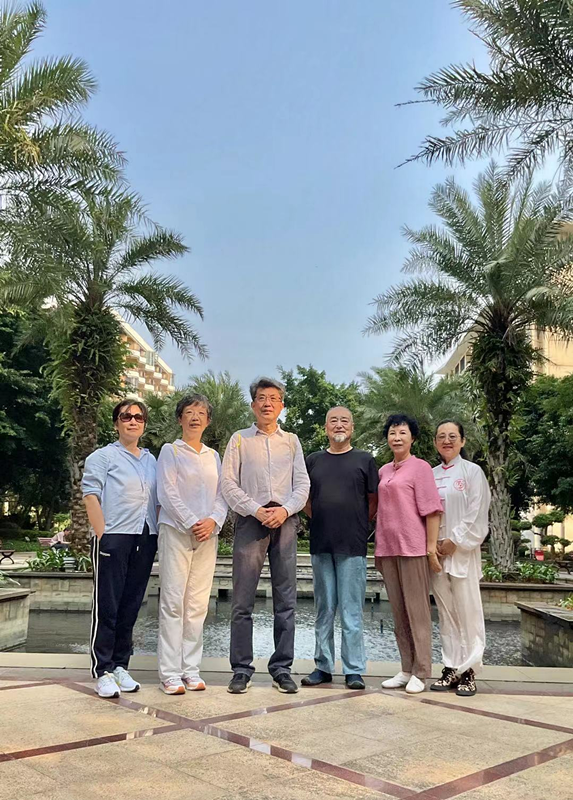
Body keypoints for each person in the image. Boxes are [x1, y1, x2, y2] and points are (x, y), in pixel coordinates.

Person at [221, 376, 310, 694]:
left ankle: (282, 669)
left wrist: (285, 510)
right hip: (251, 521)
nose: (267, 403)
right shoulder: (239, 440)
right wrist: (255, 510)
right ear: (253, 404)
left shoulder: (292, 441)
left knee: (286, 600)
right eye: (261, 397)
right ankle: (241, 669)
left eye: (273, 398)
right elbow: (228, 483)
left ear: (281, 405)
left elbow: (303, 483)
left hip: (285, 522)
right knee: (242, 601)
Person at [82, 399, 158, 699]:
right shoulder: (102, 457)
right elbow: (91, 496)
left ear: (144, 424)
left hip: (145, 537)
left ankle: (120, 666)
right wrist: (103, 536)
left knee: (130, 605)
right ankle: (102, 670)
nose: (133, 421)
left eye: (138, 417)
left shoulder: (152, 461)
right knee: (108, 606)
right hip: (114, 537)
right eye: (126, 416)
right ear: (116, 423)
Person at [302, 407, 378, 690]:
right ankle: (322, 666)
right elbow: (305, 499)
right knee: (323, 609)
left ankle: (353, 669)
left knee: (351, 611)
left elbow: (373, 501)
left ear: (352, 427)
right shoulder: (313, 460)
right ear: (325, 428)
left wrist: (355, 523)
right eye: (333, 420)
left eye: (344, 420)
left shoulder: (365, 460)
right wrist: (323, 517)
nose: (338, 425)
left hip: (353, 546)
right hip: (321, 543)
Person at [156, 394, 228, 695]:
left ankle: (190, 670)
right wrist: (191, 522)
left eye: (201, 413)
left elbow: (223, 493)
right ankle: (170, 673)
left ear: (208, 421)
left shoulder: (214, 456)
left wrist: (213, 521)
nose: (195, 417)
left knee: (197, 604)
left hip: (207, 536)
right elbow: (166, 492)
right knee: (173, 602)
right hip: (176, 531)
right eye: (189, 412)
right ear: (180, 418)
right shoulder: (170, 451)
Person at [375, 413, 443, 694]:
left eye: (402, 432)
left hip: (413, 549)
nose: (397, 437)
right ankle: (406, 668)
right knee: (398, 612)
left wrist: (431, 549)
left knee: (417, 612)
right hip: (387, 548)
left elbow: (432, 510)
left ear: (412, 438)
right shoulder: (383, 471)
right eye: (392, 433)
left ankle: (422, 671)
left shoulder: (421, 468)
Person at [430, 420, 491, 697]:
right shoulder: (430, 474)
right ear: (435, 442)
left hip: (462, 552)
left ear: (462, 441)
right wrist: (432, 545)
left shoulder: (472, 472)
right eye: (441, 436)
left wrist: (455, 540)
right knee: (446, 613)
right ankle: (451, 667)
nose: (447, 441)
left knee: (468, 612)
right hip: (436, 555)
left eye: (452, 436)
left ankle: (470, 671)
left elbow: (477, 511)